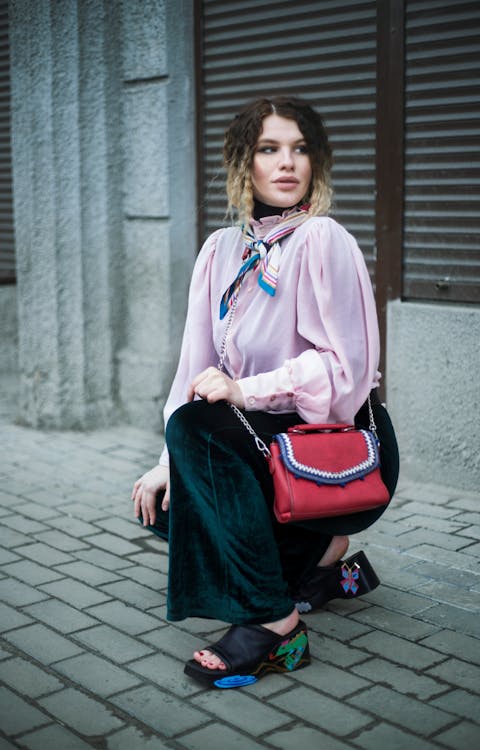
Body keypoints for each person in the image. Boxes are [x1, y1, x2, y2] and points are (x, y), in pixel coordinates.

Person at [131, 96, 399, 689]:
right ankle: (322, 567)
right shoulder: (220, 252)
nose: (287, 164)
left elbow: (344, 373)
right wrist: (165, 463)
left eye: (300, 149)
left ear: (316, 163)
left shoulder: (323, 239)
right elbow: (192, 373)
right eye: (269, 149)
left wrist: (244, 391)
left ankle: (277, 625)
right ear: (242, 164)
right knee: (170, 501)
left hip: (336, 451)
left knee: (200, 432)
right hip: (265, 448)